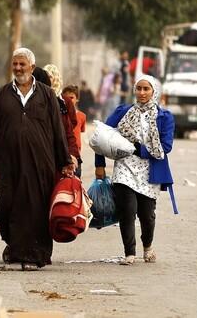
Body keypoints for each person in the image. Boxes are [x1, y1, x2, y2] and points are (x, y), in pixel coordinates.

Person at [0, 48, 75, 270]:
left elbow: (57, 130)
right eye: (15, 64)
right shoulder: (2, 94)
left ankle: (35, 255)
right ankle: (14, 249)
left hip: (41, 162)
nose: (18, 68)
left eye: (22, 64)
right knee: (8, 207)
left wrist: (65, 162)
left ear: (32, 67)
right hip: (8, 163)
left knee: (36, 208)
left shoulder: (47, 94)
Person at [94, 75, 175, 266]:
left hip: (151, 170)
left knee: (147, 215)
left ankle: (147, 246)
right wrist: (100, 164)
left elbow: (166, 146)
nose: (142, 93)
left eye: (146, 89)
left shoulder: (164, 117)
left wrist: (139, 149)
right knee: (127, 211)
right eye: (138, 88)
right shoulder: (123, 112)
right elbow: (102, 136)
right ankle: (129, 253)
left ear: (154, 91)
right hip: (125, 168)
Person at [43, 64, 81, 178]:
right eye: (46, 76)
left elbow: (72, 122)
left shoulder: (64, 101)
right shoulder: (39, 98)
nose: (48, 79)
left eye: (50, 76)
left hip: (63, 147)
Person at [62, 85, 86, 176]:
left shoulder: (82, 116)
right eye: (66, 97)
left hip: (76, 154)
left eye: (71, 97)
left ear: (77, 99)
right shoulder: (61, 115)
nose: (69, 100)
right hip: (64, 151)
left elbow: (81, 131)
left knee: (76, 178)